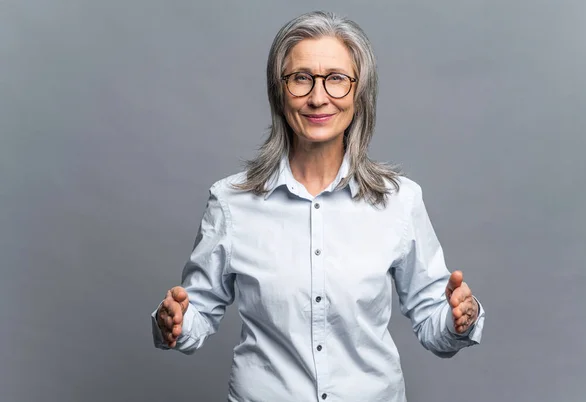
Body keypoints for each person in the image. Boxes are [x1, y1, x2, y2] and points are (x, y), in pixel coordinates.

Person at [151, 10, 485, 402]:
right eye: (301, 78)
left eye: (337, 79)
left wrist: (460, 319)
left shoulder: (400, 200)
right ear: (280, 91)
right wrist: (173, 322)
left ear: (361, 93)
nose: (318, 96)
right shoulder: (231, 202)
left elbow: (435, 323)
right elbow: (198, 313)